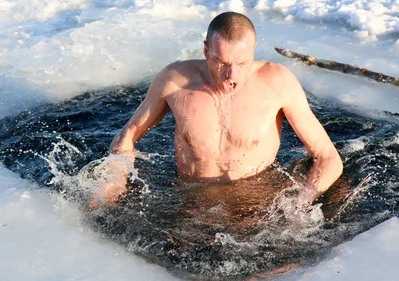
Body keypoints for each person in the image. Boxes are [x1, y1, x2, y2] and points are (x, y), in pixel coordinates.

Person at [94, 12, 343, 208]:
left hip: (256, 203)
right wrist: (115, 179)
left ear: (253, 51)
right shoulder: (175, 81)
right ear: (206, 51)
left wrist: (301, 201)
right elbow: (126, 137)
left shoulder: (277, 82)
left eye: (241, 63)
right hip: (191, 202)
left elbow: (328, 157)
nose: (231, 76)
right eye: (221, 63)